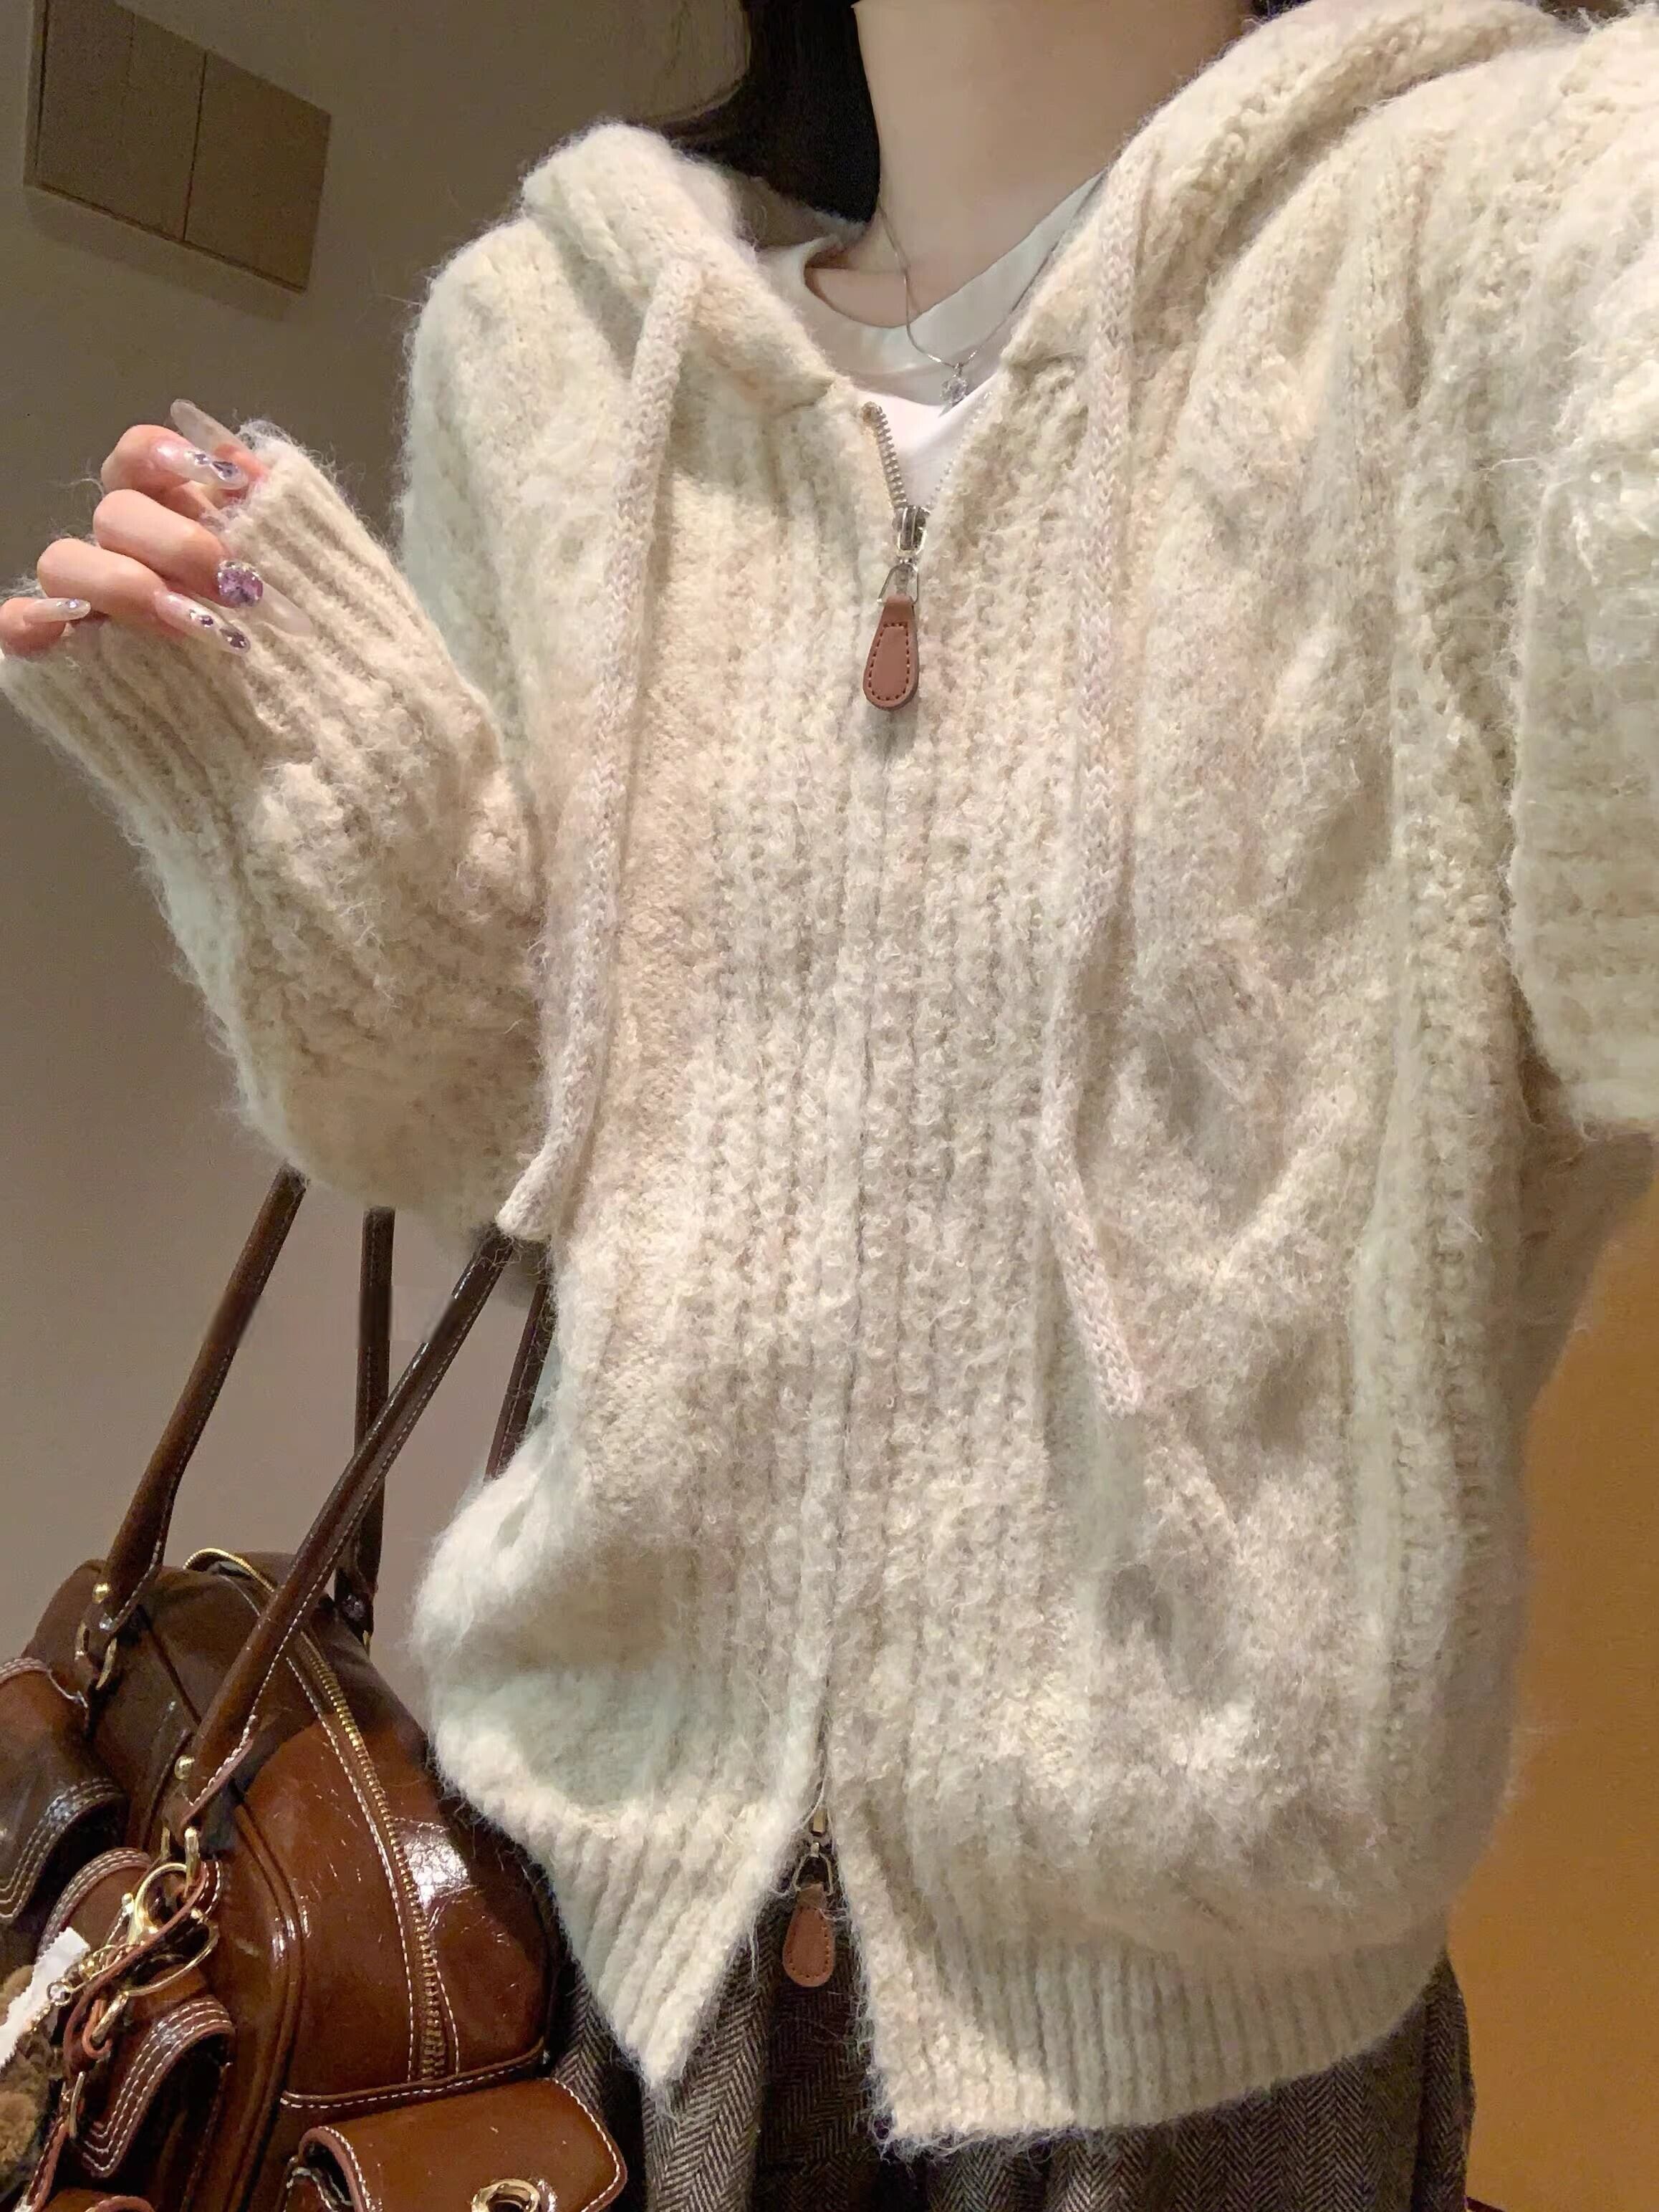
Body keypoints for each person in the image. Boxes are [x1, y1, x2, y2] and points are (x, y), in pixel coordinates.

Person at [4, 0, 1658, 2201]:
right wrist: (320, 817)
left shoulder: (1513, 264)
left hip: (1177, 2063)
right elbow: (535, 1143)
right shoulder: (592, 359)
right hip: (602, 1953)